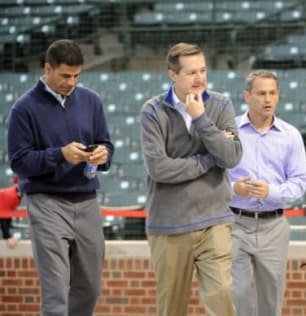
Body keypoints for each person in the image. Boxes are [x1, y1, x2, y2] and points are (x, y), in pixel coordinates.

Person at [7, 39, 114, 316]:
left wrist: (103, 155)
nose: (71, 82)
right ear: (47, 68)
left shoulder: (92, 100)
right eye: (65, 75)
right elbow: (19, 161)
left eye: (77, 75)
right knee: (56, 294)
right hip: (46, 203)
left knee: (90, 287)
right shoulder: (23, 108)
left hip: (87, 201)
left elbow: (106, 144)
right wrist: (59, 155)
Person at [139, 42, 242, 316]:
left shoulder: (220, 105)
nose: (199, 79)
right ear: (173, 74)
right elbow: (159, 169)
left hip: (215, 220)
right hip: (169, 226)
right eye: (191, 72)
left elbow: (231, 157)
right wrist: (208, 159)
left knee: (223, 297)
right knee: (171, 309)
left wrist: (202, 120)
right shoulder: (152, 111)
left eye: (203, 70)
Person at [228, 70, 306, 316]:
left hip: (274, 226)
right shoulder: (229, 133)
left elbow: (299, 182)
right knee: (236, 292)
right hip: (234, 224)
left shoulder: (291, 136)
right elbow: (213, 178)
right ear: (247, 96)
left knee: (271, 298)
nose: (267, 99)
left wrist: (270, 191)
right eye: (261, 93)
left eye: (272, 93)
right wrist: (235, 189)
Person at [0, 175, 22, 249]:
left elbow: (8, 215)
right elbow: (3, 217)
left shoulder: (16, 196)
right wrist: (8, 236)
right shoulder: (11, 195)